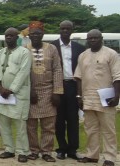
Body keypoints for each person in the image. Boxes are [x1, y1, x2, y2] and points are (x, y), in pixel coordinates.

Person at [75, 29, 120, 166]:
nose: (92, 40)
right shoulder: (83, 55)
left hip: (106, 97)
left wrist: (117, 95)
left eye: (95, 38)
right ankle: (92, 155)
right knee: (90, 128)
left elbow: (117, 76)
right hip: (88, 96)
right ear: (87, 40)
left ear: (101, 38)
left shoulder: (111, 54)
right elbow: (78, 77)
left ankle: (110, 157)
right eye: (90, 38)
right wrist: (78, 96)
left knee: (108, 129)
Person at [0, 27, 31, 163]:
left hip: (18, 94)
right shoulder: (0, 53)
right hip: (1, 94)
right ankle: (9, 149)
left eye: (11, 36)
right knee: (3, 122)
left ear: (17, 37)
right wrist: (1, 87)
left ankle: (22, 151)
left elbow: (23, 72)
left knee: (20, 123)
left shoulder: (24, 52)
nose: (8, 38)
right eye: (6, 36)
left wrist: (11, 89)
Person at [26, 21, 63, 162]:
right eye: (33, 33)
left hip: (49, 91)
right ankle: (34, 151)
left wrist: (57, 92)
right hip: (31, 92)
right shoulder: (24, 49)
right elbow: (23, 73)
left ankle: (47, 152)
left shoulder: (52, 48)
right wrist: (30, 91)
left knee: (48, 125)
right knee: (31, 125)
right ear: (29, 35)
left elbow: (58, 70)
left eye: (38, 33)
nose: (35, 36)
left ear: (43, 35)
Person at [51, 20, 85, 160]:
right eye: (63, 28)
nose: (65, 31)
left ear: (72, 30)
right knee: (58, 120)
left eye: (68, 29)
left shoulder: (79, 48)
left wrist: (79, 93)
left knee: (73, 119)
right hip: (57, 86)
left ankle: (73, 149)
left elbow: (82, 70)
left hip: (73, 85)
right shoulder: (51, 46)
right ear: (59, 29)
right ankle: (61, 149)